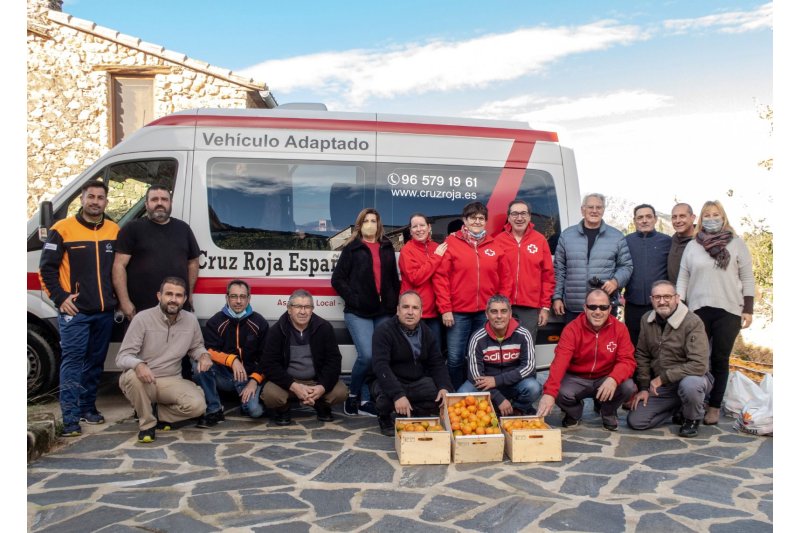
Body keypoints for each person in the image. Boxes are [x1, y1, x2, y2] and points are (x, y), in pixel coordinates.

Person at [38, 180, 120, 437]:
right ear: (82, 199)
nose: (95, 201)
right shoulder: (62, 229)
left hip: (104, 312)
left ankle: (87, 408)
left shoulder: (114, 230)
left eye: (100, 197)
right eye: (91, 197)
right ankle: (70, 418)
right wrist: (60, 298)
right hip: (76, 312)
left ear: (106, 202)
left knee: (95, 363)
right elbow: (46, 269)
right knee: (73, 363)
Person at [676, 200, 755, 425]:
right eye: (707, 215)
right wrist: (679, 304)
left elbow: (747, 277)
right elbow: (683, 277)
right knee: (696, 359)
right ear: (701, 219)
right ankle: (694, 403)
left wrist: (748, 309)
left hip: (729, 310)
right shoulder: (693, 246)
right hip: (697, 310)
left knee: (720, 359)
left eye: (715, 214)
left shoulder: (737, 244)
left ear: (723, 217)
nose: (711, 218)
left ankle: (714, 406)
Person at [115, 277, 211, 443]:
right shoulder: (142, 318)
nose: (173, 299)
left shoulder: (190, 320)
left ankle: (154, 412)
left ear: (185, 299)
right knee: (133, 376)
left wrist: (204, 355)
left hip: (170, 380)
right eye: (169, 294)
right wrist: (138, 365)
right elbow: (122, 357)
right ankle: (147, 425)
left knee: (198, 406)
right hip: (143, 379)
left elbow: (196, 347)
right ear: (159, 296)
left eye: (178, 295)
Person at [433, 201, 512, 390]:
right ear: (465, 220)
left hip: (485, 313)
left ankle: (478, 394)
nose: (477, 221)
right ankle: (455, 394)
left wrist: (501, 308)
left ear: (485, 221)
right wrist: (445, 309)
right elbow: (441, 278)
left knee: (480, 356)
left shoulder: (495, 245)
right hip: (458, 313)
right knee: (455, 357)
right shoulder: (451, 243)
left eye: (481, 218)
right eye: (473, 218)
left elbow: (506, 279)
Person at [331, 208, 400, 416]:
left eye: (374, 220)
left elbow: (393, 279)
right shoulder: (352, 248)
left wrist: (394, 303)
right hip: (358, 311)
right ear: (360, 225)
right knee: (367, 356)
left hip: (383, 311)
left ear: (379, 225)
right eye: (366, 221)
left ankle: (366, 399)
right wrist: (355, 299)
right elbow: (337, 279)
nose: (370, 224)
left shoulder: (386, 246)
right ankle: (352, 395)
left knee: (379, 356)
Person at [536, 289, 637, 431]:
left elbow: (627, 360)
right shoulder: (572, 329)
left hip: (605, 377)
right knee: (557, 391)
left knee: (628, 387)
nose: (598, 311)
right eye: (592, 307)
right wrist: (549, 393)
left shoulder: (620, 329)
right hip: (577, 378)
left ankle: (607, 411)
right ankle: (574, 412)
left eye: (603, 307)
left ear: (610, 309)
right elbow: (560, 362)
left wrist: (613, 378)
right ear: (585, 308)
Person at [627, 281, 712, 438]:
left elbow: (699, 365)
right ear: (651, 299)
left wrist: (662, 378)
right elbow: (642, 354)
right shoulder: (646, 319)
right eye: (657, 297)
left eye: (667, 296)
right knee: (636, 421)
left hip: (691, 379)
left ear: (677, 298)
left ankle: (692, 418)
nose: (662, 301)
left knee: (690, 386)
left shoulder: (693, 322)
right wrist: (644, 387)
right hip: (665, 387)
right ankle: (678, 407)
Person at [370, 291, 453, 436]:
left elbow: (437, 363)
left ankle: (410, 410)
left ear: (421, 312)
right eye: (405, 307)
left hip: (416, 382)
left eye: (415, 308)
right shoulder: (384, 331)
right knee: (385, 399)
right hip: (391, 380)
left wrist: (444, 387)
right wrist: (397, 395)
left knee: (439, 397)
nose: (410, 312)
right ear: (398, 310)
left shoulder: (427, 332)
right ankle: (384, 417)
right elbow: (381, 366)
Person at [260, 289, 348, 425]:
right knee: (270, 395)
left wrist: (322, 387)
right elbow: (269, 364)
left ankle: (321, 405)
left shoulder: (324, 328)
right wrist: (293, 386)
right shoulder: (277, 330)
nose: (303, 311)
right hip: (288, 382)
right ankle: (283, 409)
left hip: (316, 381)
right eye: (298, 307)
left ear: (312, 309)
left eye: (307, 307)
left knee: (341, 392)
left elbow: (334, 361)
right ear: (289, 309)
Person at [112, 185, 201, 320]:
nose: (160, 203)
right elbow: (119, 266)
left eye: (164, 199)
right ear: (146, 204)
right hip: (140, 310)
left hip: (176, 307)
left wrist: (188, 294)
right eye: (154, 199)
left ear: (170, 203)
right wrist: (124, 302)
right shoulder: (132, 229)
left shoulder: (183, 229)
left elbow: (193, 262)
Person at [194, 280, 269, 427]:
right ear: (227, 297)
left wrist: (254, 381)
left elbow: (266, 357)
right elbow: (208, 350)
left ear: (249, 298)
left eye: (243, 296)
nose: (238, 301)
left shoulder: (259, 322)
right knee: (199, 365)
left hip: (249, 379)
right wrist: (232, 360)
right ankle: (214, 409)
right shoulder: (215, 321)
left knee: (255, 411)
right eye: (234, 296)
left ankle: (246, 402)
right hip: (225, 377)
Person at [552, 193, 633, 323]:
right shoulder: (566, 236)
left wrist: (615, 281)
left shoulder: (617, 237)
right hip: (573, 307)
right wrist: (557, 297)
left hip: (603, 307)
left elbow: (626, 266)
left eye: (598, 207)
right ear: (582, 210)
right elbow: (559, 269)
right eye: (590, 207)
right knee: (572, 337)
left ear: (603, 210)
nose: (594, 211)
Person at [459, 294, 541, 416]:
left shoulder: (524, 334)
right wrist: (498, 398)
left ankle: (517, 410)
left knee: (533, 387)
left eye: (503, 311)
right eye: (494, 311)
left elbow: (528, 367)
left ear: (510, 314)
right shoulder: (477, 338)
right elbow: (475, 375)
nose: (499, 316)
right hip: (487, 384)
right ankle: (489, 410)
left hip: (513, 382)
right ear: (487, 314)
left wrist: (497, 380)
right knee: (462, 394)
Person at [494, 199, 555, 343]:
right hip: (502, 305)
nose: (519, 218)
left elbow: (548, 277)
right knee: (502, 347)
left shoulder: (540, 240)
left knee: (526, 347)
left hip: (530, 307)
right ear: (509, 217)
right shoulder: (498, 241)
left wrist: (545, 307)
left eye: (523, 213)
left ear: (529, 217)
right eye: (515, 214)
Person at [623, 203, 671, 346]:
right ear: (634, 221)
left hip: (660, 305)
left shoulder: (667, 241)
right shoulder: (626, 241)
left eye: (648, 217)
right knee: (634, 344)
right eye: (640, 217)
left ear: (655, 219)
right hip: (633, 304)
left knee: (660, 344)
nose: (644, 220)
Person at [398, 213, 448, 345]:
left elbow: (443, 278)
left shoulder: (436, 247)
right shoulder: (407, 250)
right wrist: (436, 258)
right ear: (410, 231)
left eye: (422, 225)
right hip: (413, 314)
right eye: (415, 226)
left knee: (434, 352)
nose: (419, 229)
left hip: (434, 313)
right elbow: (415, 278)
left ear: (429, 227)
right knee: (413, 352)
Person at [667, 203, 697, 284]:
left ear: (692, 218)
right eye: (674, 217)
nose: (677, 221)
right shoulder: (672, 240)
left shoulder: (702, 241)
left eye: (682, 216)